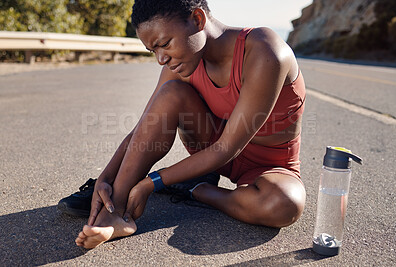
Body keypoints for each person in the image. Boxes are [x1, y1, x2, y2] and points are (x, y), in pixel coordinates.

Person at [62, 0, 306, 249]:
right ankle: (116, 209)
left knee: (284, 205)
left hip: (268, 166)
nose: (160, 59)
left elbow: (226, 149)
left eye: (165, 44)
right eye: (152, 50)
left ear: (198, 20)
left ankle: (197, 189)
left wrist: (153, 181)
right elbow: (143, 128)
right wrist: (106, 177)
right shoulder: (182, 60)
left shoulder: (265, 51)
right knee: (170, 94)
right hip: (208, 145)